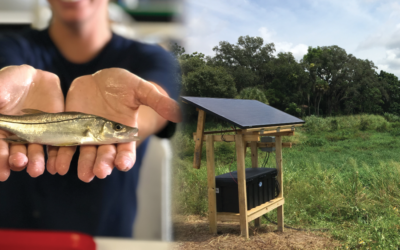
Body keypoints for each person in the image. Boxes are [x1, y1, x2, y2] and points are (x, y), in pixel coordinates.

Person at [0, 0, 181, 237]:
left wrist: (133, 118)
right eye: (115, 127)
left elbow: (154, 109)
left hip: (106, 237)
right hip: (15, 233)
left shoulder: (152, 57)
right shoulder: (9, 46)